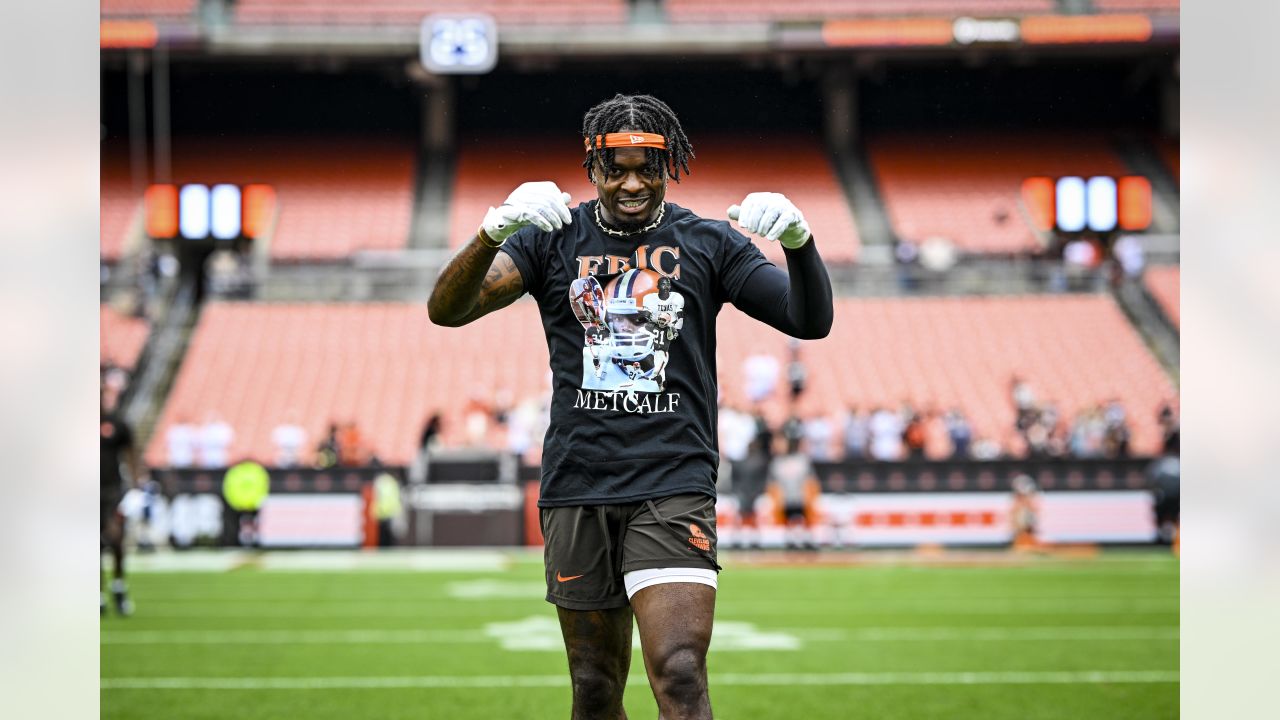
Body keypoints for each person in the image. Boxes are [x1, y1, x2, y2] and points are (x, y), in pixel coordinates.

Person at [427, 93, 833, 720]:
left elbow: (808, 320)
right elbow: (447, 309)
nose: (632, 182)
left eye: (648, 166)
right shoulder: (552, 240)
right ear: (591, 165)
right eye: (616, 167)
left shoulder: (708, 243)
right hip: (578, 483)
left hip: (672, 480)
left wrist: (801, 243)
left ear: (670, 166)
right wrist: (491, 232)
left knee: (679, 672)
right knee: (594, 687)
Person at [101, 386, 145, 615]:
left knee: (115, 539)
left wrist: (137, 486)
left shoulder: (116, 425)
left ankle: (118, 586)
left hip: (112, 492)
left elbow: (131, 454)